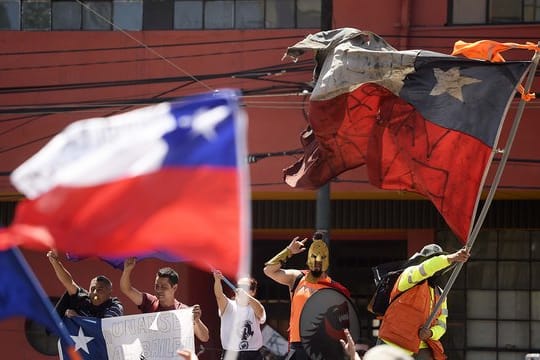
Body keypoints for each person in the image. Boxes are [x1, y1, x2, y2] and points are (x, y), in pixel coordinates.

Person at [263, 231, 349, 360]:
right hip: (298, 345)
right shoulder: (297, 277)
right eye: (314, 257)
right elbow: (268, 270)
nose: (317, 262)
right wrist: (289, 251)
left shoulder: (336, 289)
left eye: (321, 259)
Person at [378, 244, 470, 360]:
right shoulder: (408, 276)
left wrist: (431, 333)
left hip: (420, 349)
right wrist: (450, 258)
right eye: (434, 260)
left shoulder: (440, 293)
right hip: (393, 345)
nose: (437, 268)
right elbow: (426, 268)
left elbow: (442, 325)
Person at [120, 257, 210, 342]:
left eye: (164, 287)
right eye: (157, 286)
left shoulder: (183, 311)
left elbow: (204, 337)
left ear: (174, 288)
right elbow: (126, 289)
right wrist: (127, 270)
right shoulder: (149, 302)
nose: (159, 290)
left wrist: (197, 321)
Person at [46, 250, 123, 318]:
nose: (95, 293)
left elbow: (103, 327)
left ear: (109, 293)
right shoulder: (83, 299)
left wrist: (79, 319)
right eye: (92, 289)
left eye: (100, 290)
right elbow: (69, 283)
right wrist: (55, 262)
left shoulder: (114, 307)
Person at [213, 270, 266, 360]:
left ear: (253, 292)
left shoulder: (255, 306)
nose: (241, 289)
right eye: (239, 286)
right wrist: (217, 280)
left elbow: (260, 312)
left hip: (253, 354)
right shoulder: (229, 305)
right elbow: (219, 295)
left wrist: (247, 296)